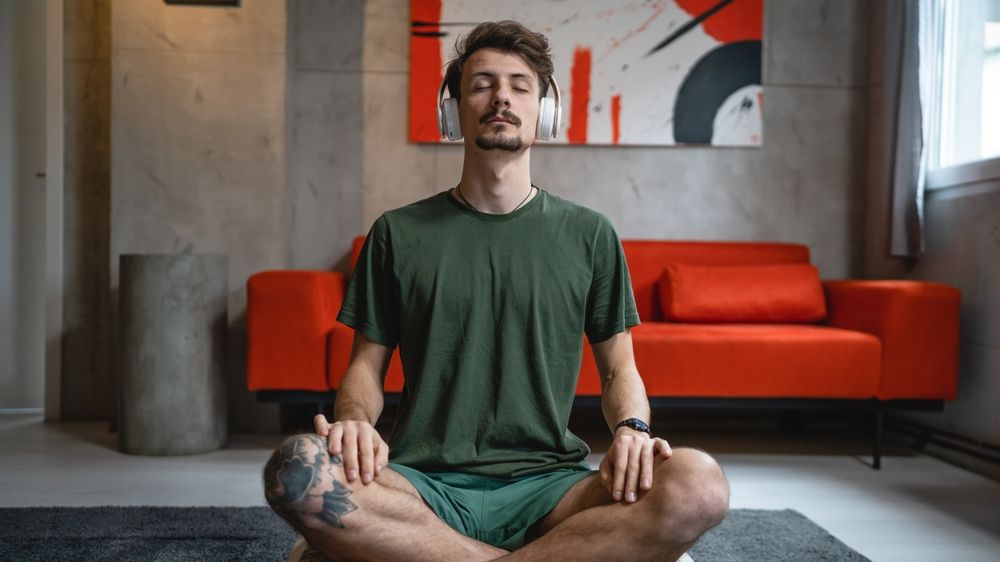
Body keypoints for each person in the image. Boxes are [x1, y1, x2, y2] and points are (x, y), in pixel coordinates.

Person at [263, 20, 729, 562]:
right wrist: (354, 423)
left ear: (544, 111)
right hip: (420, 486)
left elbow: (618, 369)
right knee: (296, 469)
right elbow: (366, 366)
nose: (501, 97)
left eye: (519, 85)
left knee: (699, 485)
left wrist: (631, 428)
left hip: (554, 489)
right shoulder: (397, 232)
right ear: (453, 108)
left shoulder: (591, 234)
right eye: (482, 83)